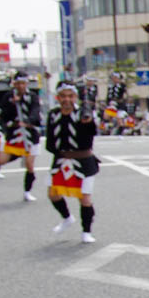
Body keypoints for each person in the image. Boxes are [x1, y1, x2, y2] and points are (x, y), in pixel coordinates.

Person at [46, 83, 100, 243]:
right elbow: (50, 141)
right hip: (61, 159)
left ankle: (86, 231)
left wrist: (88, 122)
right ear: (58, 98)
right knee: (53, 194)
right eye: (63, 96)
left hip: (84, 160)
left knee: (84, 198)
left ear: (75, 97)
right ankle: (67, 218)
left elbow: (92, 133)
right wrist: (61, 153)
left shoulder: (83, 113)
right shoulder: (53, 114)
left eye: (70, 96)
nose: (67, 100)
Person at [0, 72, 42, 201]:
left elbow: (36, 112)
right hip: (14, 134)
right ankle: (17, 154)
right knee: (1, 160)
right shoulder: (8, 97)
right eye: (18, 83)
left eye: (23, 83)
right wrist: (12, 104)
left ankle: (27, 191)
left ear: (26, 84)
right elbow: (2, 114)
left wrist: (28, 121)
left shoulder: (32, 96)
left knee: (29, 165)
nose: (21, 86)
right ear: (14, 84)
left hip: (30, 135)